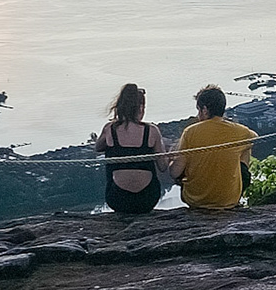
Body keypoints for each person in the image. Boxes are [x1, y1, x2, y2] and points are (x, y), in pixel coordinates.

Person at [171, 84, 257, 210]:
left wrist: (173, 157)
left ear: (205, 110)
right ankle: (234, 190)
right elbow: (255, 138)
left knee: (184, 158)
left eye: (198, 110)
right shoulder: (240, 132)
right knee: (245, 147)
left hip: (196, 200)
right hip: (229, 200)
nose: (198, 115)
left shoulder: (190, 132)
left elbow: (175, 172)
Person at [93, 83, 164, 215]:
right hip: (147, 199)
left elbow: (98, 147)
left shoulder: (110, 129)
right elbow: (163, 166)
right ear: (141, 108)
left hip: (118, 199)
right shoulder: (152, 131)